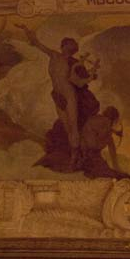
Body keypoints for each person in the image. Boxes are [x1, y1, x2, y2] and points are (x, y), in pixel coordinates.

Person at [18, 26, 83, 167]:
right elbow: (37, 44)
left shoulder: (73, 62)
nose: (69, 46)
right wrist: (27, 30)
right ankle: (74, 154)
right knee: (67, 127)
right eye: (68, 44)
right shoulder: (54, 55)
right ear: (63, 46)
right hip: (57, 95)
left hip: (68, 94)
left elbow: (79, 80)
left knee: (73, 127)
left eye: (72, 44)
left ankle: (74, 157)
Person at [80, 106, 130, 179]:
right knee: (110, 173)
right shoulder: (106, 122)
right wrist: (114, 132)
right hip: (90, 153)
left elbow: (100, 134)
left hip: (85, 151)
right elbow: (102, 138)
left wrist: (113, 132)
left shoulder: (97, 118)